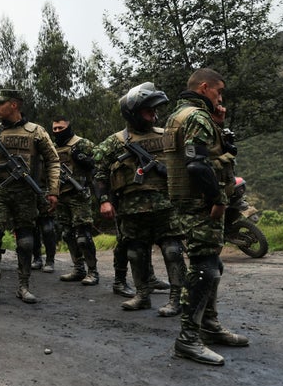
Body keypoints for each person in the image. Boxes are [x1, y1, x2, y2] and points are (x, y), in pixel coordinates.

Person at [164, 68, 248, 366]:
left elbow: (206, 154)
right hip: (199, 203)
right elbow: (198, 166)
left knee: (213, 262)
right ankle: (188, 339)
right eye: (218, 92)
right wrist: (217, 199)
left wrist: (219, 125)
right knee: (205, 268)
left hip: (190, 201)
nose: (220, 97)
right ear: (204, 88)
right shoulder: (196, 117)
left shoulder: (182, 115)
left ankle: (209, 326)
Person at [92, 82, 186, 317]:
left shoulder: (167, 136)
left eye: (155, 111)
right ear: (133, 113)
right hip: (131, 209)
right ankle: (142, 295)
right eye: (148, 111)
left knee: (173, 250)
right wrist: (104, 200)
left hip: (166, 206)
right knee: (136, 252)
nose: (154, 116)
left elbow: (184, 166)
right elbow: (98, 171)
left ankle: (177, 299)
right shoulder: (115, 142)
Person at [0, 89, 60, 304]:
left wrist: (53, 191)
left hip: (26, 193)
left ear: (14, 105)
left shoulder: (36, 132)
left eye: (0, 103)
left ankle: (23, 287)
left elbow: (53, 161)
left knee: (26, 242)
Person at [51, 116, 99, 285]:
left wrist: (86, 161)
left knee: (83, 237)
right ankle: (78, 268)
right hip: (62, 195)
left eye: (61, 128)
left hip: (79, 195)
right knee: (67, 234)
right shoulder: (54, 148)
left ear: (69, 127)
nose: (57, 131)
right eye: (55, 129)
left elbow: (100, 164)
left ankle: (93, 271)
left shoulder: (82, 143)